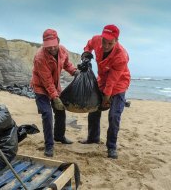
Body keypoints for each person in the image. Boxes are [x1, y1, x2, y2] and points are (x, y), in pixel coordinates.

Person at [78, 24, 131, 159]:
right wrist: (86, 54)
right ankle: (93, 138)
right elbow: (89, 45)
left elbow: (112, 81)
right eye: (104, 41)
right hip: (102, 81)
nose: (106, 45)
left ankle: (111, 147)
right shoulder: (96, 40)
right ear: (101, 37)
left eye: (110, 43)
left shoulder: (121, 56)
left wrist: (106, 99)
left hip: (118, 85)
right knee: (94, 109)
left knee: (114, 116)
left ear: (116, 41)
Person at [31, 29, 79, 157]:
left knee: (60, 111)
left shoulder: (62, 50)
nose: (52, 48)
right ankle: (49, 145)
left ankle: (59, 136)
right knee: (47, 114)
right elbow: (46, 82)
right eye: (48, 46)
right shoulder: (40, 58)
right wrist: (54, 97)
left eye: (54, 44)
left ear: (58, 41)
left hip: (55, 86)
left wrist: (74, 72)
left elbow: (67, 64)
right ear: (44, 44)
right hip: (41, 88)